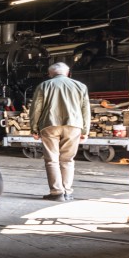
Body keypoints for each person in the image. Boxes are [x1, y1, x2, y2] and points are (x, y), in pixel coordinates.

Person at [28, 62, 90, 201]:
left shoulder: (44, 86)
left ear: (50, 74)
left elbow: (36, 109)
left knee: (52, 160)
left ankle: (57, 193)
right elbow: (86, 110)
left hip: (49, 125)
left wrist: (34, 128)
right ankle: (67, 192)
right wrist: (85, 130)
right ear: (67, 73)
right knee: (67, 159)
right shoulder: (81, 86)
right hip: (74, 126)